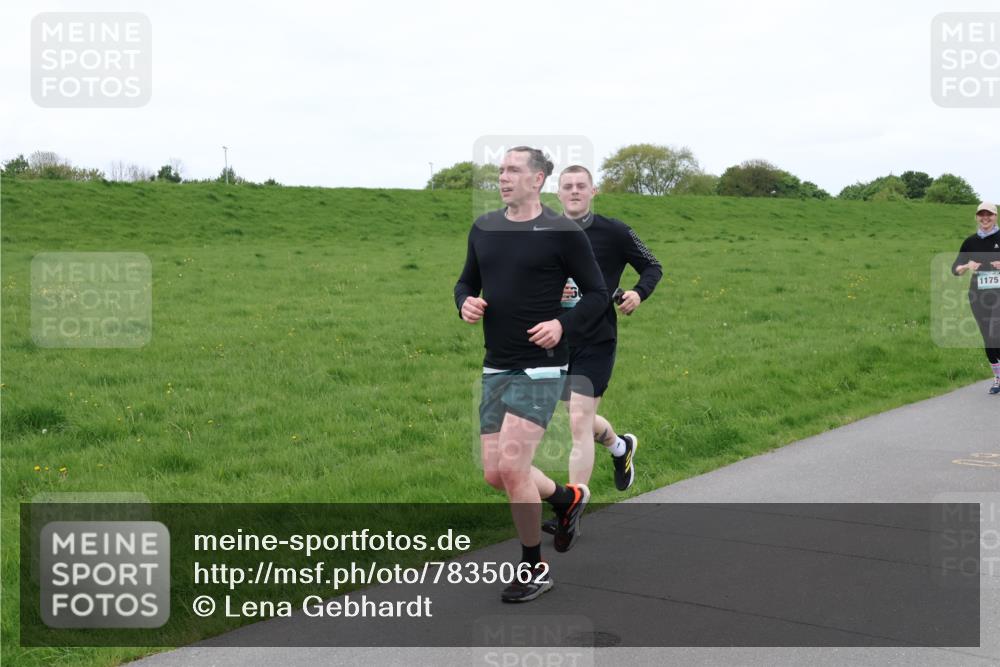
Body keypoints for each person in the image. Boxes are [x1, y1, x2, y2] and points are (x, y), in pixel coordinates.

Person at [454, 147, 608, 602]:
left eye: (513, 170)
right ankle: (566, 499)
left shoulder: (561, 233)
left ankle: (534, 567)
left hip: (542, 367)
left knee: (513, 467)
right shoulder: (484, 228)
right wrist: (464, 302)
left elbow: (597, 293)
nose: (502, 177)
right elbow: (466, 282)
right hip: (496, 362)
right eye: (500, 170)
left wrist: (564, 324)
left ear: (538, 179)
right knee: (494, 475)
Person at [540, 165, 662, 535]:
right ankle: (620, 446)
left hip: (597, 336)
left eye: (581, 186)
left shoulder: (615, 231)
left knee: (578, 419)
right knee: (578, 418)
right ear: (557, 193)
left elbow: (652, 265)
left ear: (593, 191)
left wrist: (638, 293)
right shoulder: (542, 231)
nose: (574, 191)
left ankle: (571, 510)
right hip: (555, 339)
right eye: (567, 186)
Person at [952, 201, 1000, 394]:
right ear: (977, 217)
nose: (985, 217)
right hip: (978, 296)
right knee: (988, 338)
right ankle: (998, 378)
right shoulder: (970, 242)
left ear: (995, 216)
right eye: (982, 214)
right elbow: (955, 269)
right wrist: (966, 266)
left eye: (989, 214)